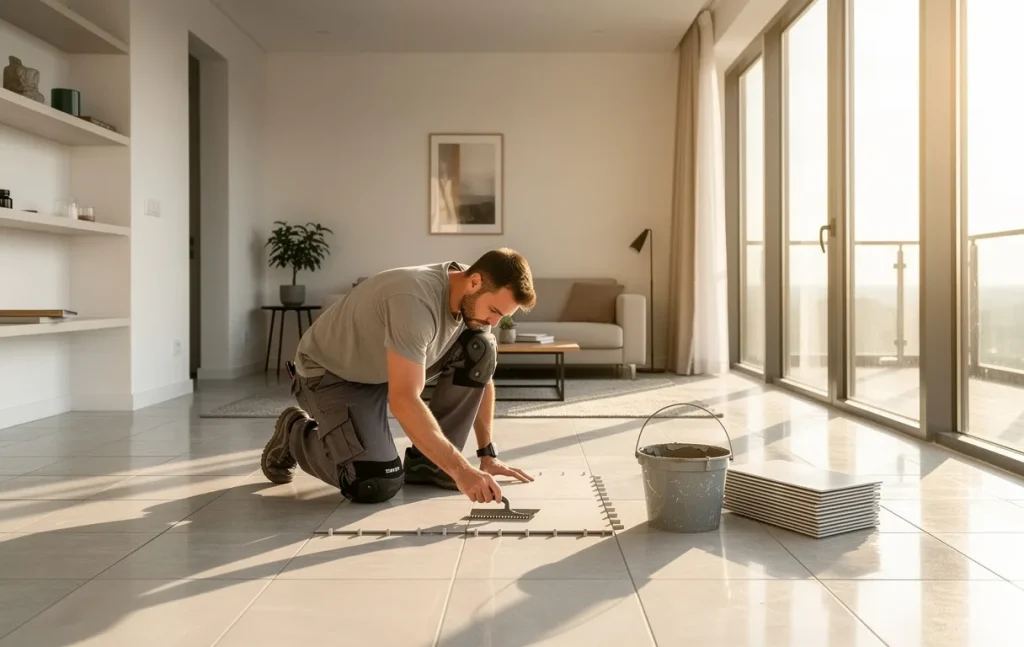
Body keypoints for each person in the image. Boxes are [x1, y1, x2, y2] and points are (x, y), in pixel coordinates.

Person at [260, 248, 537, 505]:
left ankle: (428, 464)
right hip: (331, 374)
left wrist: (487, 454)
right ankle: (293, 432)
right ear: (474, 282)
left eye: (502, 316)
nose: (494, 322)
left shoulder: (473, 294)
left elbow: (481, 374)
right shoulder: (414, 302)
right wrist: (462, 471)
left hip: (384, 367)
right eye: (494, 311)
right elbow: (403, 400)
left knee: (481, 348)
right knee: (373, 482)